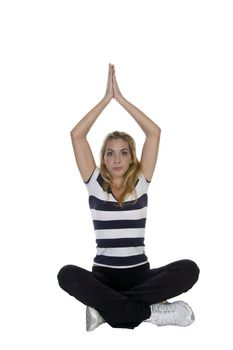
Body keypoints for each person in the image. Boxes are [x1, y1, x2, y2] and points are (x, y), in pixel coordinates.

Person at [57, 64, 200, 331]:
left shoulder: (141, 181)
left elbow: (154, 132)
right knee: (66, 275)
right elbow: (77, 136)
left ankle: (106, 310)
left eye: (123, 152)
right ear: (103, 158)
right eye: (110, 153)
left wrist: (120, 99)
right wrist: (105, 100)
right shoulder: (95, 183)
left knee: (189, 269)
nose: (117, 158)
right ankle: (150, 313)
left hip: (140, 276)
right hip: (103, 277)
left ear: (131, 155)